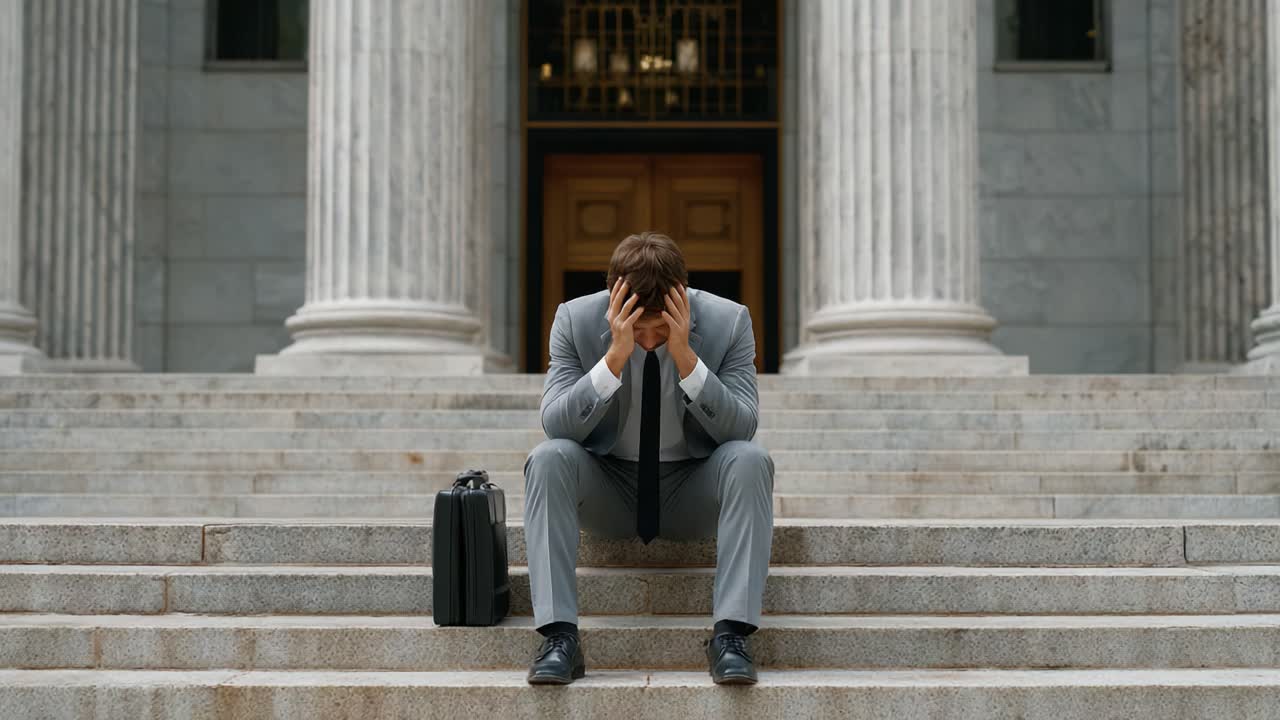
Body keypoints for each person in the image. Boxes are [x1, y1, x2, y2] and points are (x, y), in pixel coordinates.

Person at [523, 231, 775, 685]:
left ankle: (731, 636)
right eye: (638, 330)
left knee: (750, 459)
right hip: (609, 488)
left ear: (682, 303)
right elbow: (557, 425)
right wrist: (613, 358)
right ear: (614, 305)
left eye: (660, 330)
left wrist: (686, 357)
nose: (649, 341)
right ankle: (560, 637)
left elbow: (741, 428)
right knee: (548, 458)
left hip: (690, 488)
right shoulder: (574, 320)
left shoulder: (730, 321)